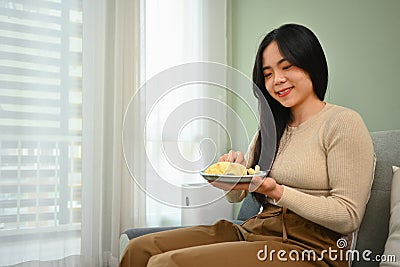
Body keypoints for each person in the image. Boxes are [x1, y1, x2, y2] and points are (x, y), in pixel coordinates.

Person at [119, 23, 375, 267]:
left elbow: (348, 216)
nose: (277, 80)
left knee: (167, 263)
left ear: (311, 65)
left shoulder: (342, 122)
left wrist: (277, 192)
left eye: (287, 67)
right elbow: (238, 195)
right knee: (140, 249)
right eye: (268, 74)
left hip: (309, 248)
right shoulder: (270, 129)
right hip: (255, 229)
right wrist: (232, 178)